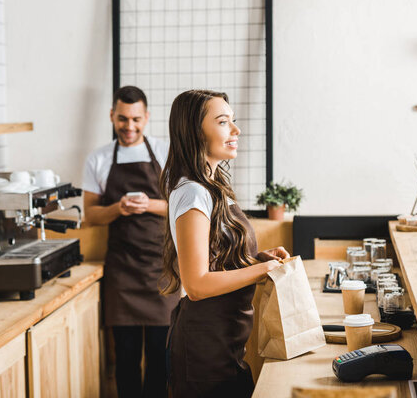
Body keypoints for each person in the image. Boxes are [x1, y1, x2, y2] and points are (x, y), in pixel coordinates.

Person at [160, 89, 290, 398]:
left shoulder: (213, 187)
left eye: (233, 121)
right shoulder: (193, 193)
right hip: (203, 349)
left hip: (224, 342)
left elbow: (217, 259)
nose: (236, 130)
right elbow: (197, 284)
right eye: (222, 122)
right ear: (195, 131)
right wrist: (261, 270)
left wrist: (258, 258)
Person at [82, 86, 179, 398]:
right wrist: (117, 208)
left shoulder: (165, 152)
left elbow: (181, 205)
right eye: (122, 119)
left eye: (136, 119)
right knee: (124, 360)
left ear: (147, 117)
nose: (129, 126)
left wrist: (148, 204)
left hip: (161, 270)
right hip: (122, 272)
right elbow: (91, 215)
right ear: (112, 116)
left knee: (159, 360)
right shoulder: (98, 159)